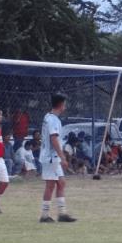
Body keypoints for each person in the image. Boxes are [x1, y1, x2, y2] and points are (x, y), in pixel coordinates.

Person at [39, 95, 77, 223]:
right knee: (50, 185)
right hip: (51, 157)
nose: (65, 107)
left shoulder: (48, 117)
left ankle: (62, 214)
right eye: (64, 104)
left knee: (61, 182)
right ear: (61, 105)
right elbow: (53, 139)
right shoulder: (53, 120)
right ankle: (44, 215)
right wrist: (62, 157)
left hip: (52, 157)